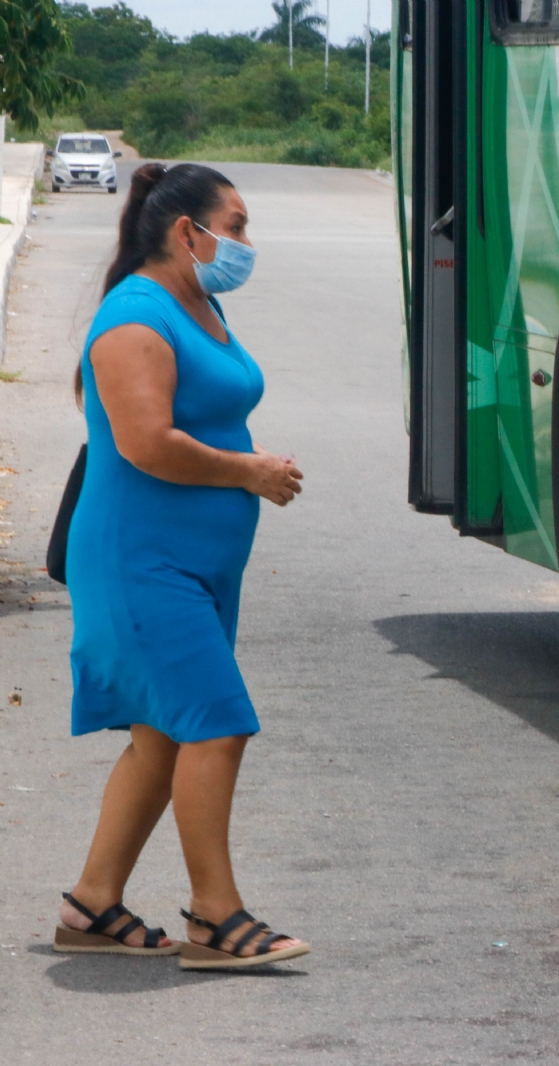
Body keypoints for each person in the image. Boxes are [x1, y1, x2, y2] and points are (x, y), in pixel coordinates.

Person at [54, 163, 309, 970]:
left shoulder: (199, 303)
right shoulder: (134, 316)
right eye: (233, 226)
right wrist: (249, 472)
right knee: (219, 723)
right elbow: (145, 443)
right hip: (139, 562)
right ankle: (215, 917)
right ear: (184, 232)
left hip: (195, 568)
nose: (243, 243)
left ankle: (92, 905)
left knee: (163, 740)